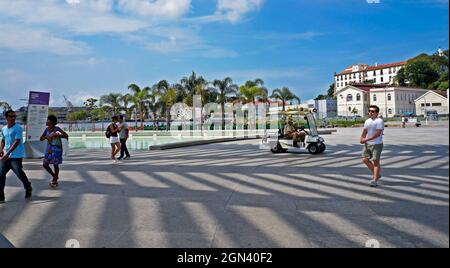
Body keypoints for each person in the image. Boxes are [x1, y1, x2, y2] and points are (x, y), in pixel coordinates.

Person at [0, 110, 32, 203]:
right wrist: (1, 150)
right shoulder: (4, 128)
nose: (13, 118)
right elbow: (3, 140)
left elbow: (17, 141)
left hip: (16, 156)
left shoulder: (18, 128)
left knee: (19, 173)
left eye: (14, 116)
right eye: (11, 116)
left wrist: (7, 153)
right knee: (1, 175)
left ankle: (28, 186)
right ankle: (1, 197)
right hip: (5, 156)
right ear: (6, 117)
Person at [40, 115, 69, 188]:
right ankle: (54, 176)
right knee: (45, 164)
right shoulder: (46, 129)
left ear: (51, 122)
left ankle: (55, 180)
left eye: (48, 120)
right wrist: (46, 137)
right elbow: (41, 138)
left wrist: (58, 135)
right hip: (49, 149)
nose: (46, 121)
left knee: (55, 165)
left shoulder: (57, 129)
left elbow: (66, 135)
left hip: (57, 149)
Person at [360, 105, 384, 187]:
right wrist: (361, 138)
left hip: (376, 144)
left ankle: (375, 180)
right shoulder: (367, 121)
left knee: (376, 162)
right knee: (364, 159)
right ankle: (377, 174)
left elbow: (377, 134)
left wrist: (365, 140)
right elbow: (364, 131)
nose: (370, 112)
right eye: (369, 111)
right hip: (368, 144)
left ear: (377, 113)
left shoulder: (379, 121)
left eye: (373, 111)